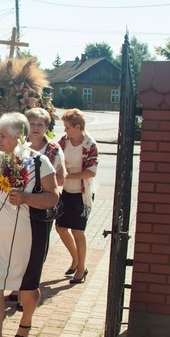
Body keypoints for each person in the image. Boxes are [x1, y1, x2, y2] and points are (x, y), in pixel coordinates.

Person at [0, 113, 58, 337]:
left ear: (19, 137)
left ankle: (25, 323)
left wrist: (25, 198)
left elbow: (53, 197)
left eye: (3, 135)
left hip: (28, 235)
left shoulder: (40, 162)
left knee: (27, 289)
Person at [7, 108, 67, 306]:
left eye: (40, 124)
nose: (35, 128)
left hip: (40, 206)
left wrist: (46, 192)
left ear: (46, 127)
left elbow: (60, 176)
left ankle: (28, 290)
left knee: (36, 249)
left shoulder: (53, 150)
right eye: (31, 124)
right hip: (17, 205)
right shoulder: (18, 147)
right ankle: (17, 286)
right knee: (17, 246)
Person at [56, 108, 98, 284]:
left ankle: (81, 269)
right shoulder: (64, 141)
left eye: (67, 127)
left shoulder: (89, 145)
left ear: (78, 127)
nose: (65, 131)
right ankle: (76, 259)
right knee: (60, 228)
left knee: (78, 231)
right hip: (65, 192)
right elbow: (55, 157)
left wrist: (66, 176)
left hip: (82, 194)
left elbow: (91, 172)